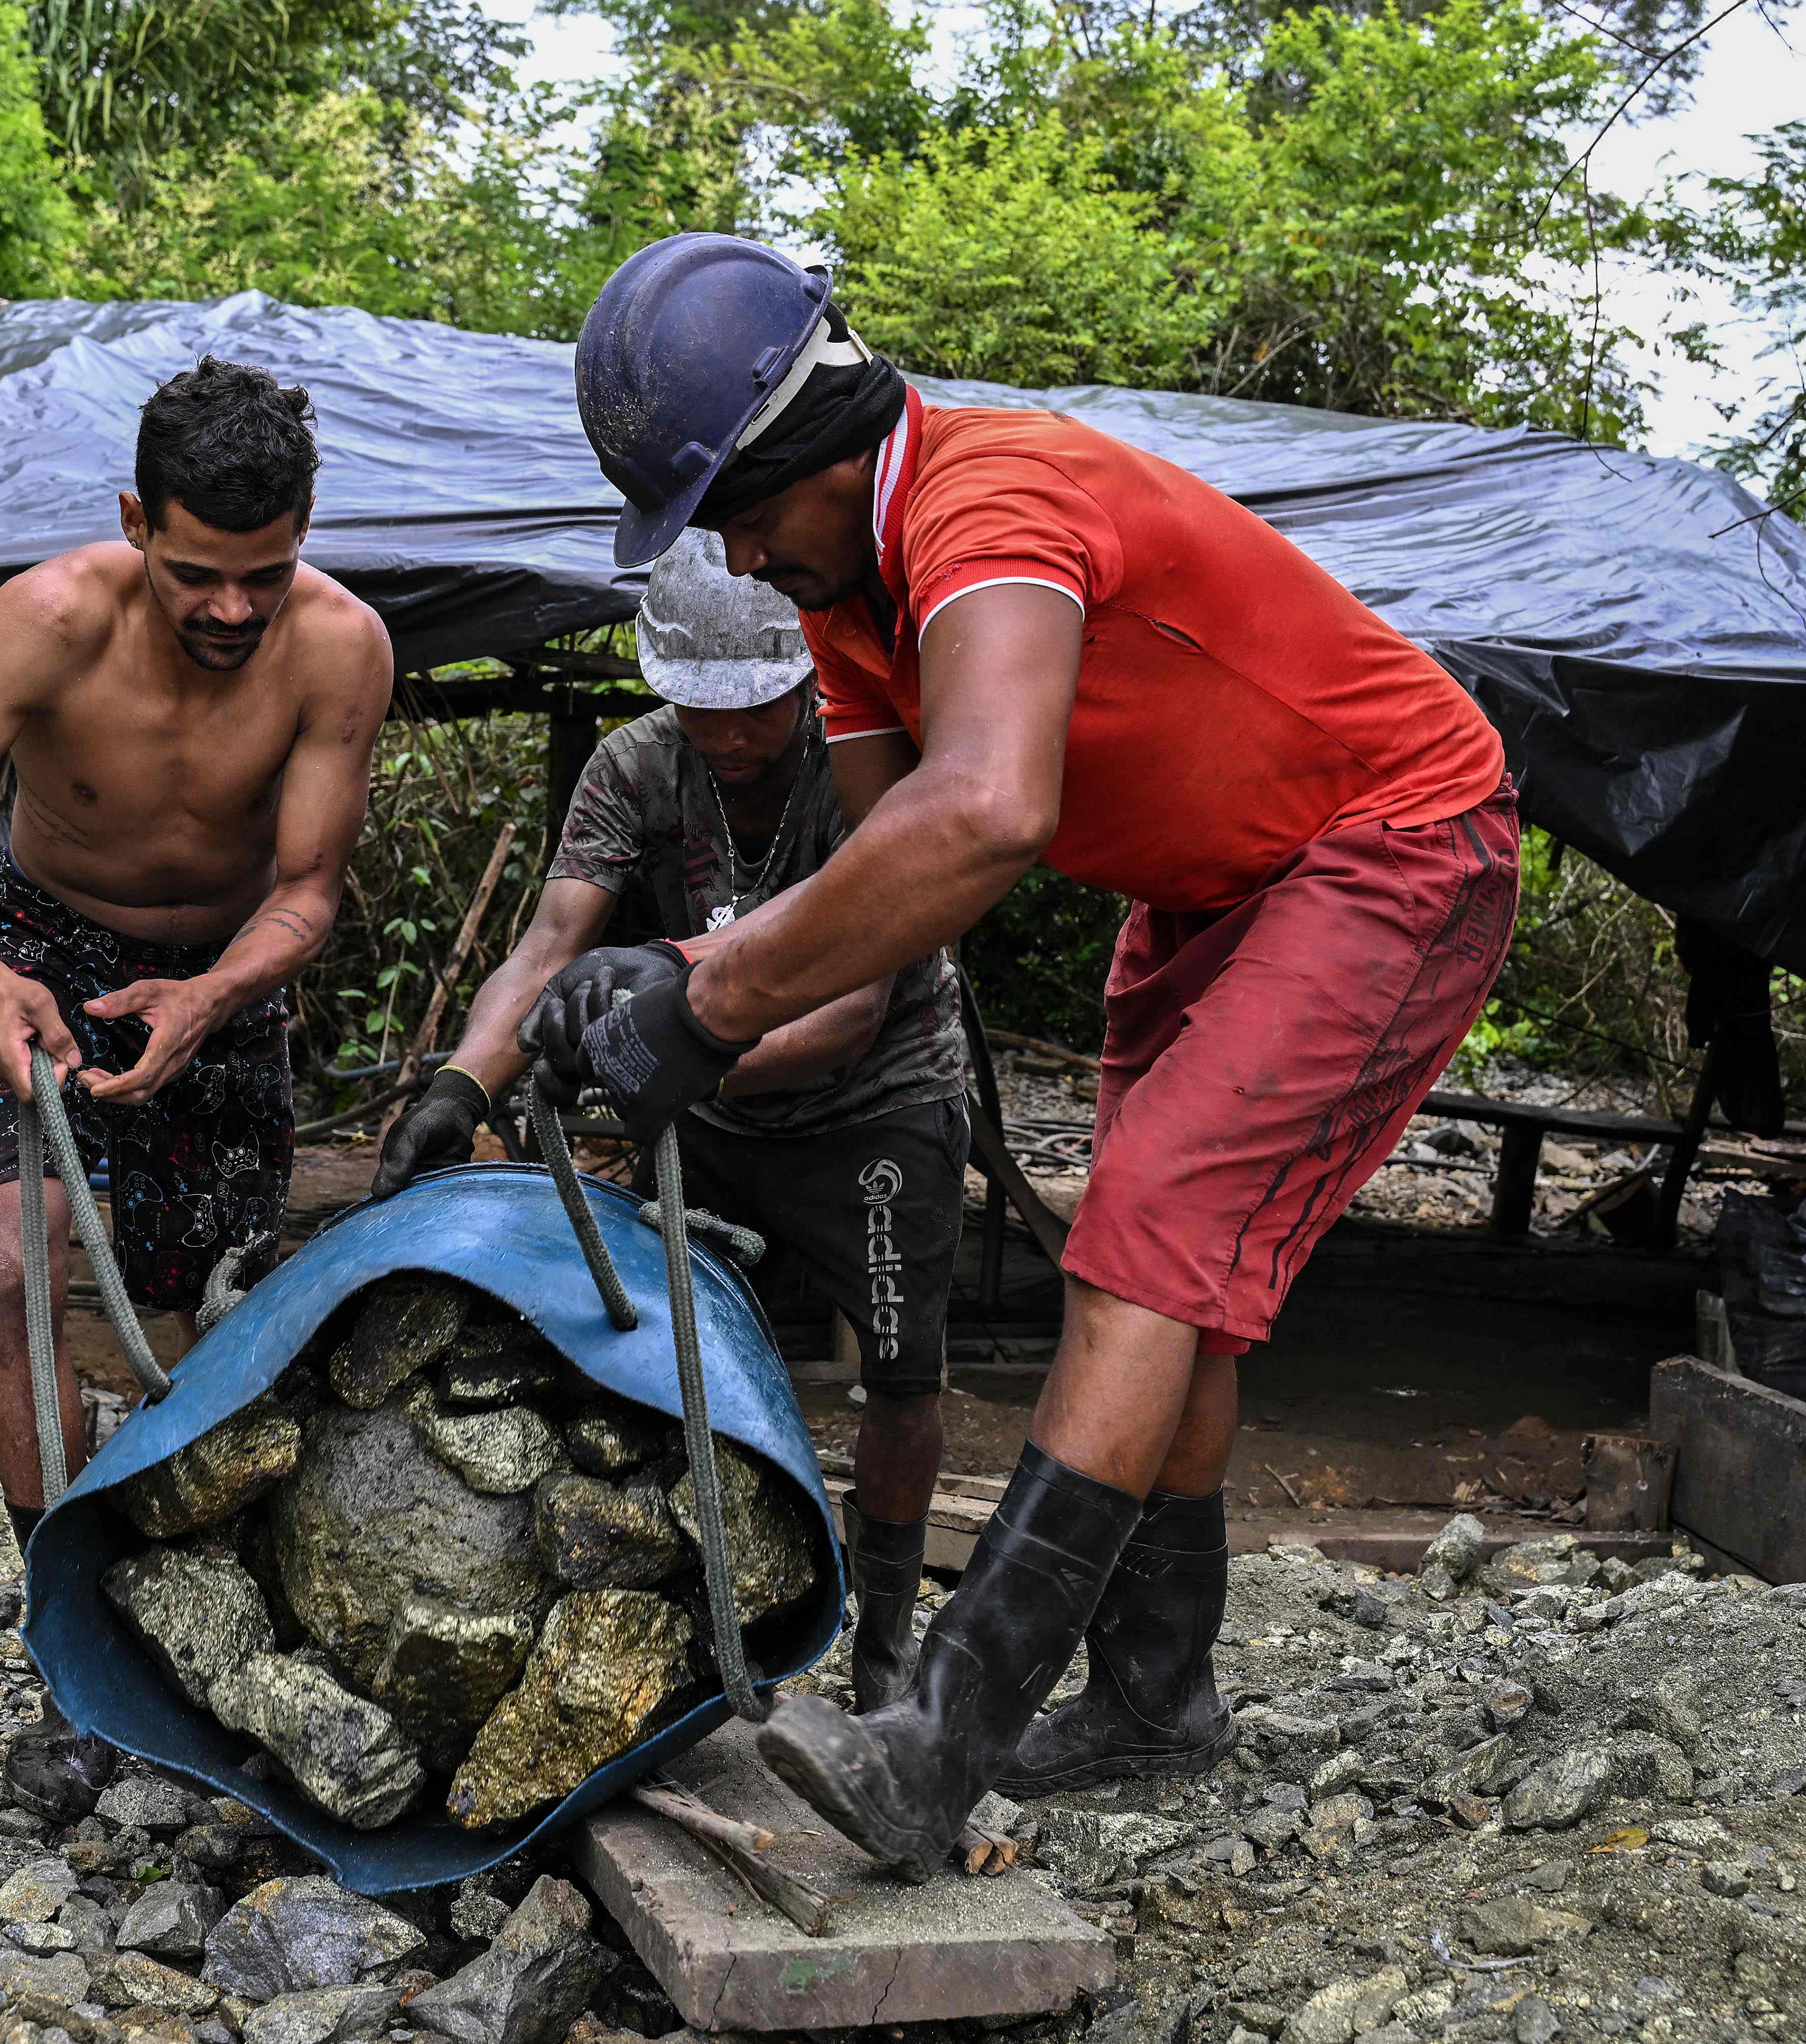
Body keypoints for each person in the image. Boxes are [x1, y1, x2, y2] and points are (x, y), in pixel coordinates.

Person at [536, 234, 1519, 1879]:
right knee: (1163, 1280)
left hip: (1391, 841)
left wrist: (704, 1012)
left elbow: (987, 812)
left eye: (740, 509)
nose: (736, 553)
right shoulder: (848, 610)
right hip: (1213, 887)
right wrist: (675, 970)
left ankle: (943, 1738)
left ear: (818, 444)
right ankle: (1155, 1695)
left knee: (1149, 1244)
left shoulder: (987, 500)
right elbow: (885, 886)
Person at [369, 528, 967, 1712]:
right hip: (708, 1108)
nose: (732, 734)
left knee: (903, 1373)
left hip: (876, 1100)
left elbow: (851, 1009)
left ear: (805, 677)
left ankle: (888, 1643)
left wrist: (670, 1059)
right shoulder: (636, 769)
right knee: (668, 1344)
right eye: (704, 709)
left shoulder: (865, 763)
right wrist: (462, 1087)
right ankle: (699, 1615)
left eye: (758, 709)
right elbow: (552, 945)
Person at [0, 356, 393, 1550]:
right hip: (39, 947)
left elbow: (306, 890)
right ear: (137, 521)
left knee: (218, 1298)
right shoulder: (49, 621)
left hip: (225, 966)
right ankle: (61, 1570)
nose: (232, 611)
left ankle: (216, 1567)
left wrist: (214, 994)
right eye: (197, 575)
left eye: (265, 576)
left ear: (306, 529)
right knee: (5, 1267)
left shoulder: (342, 647)